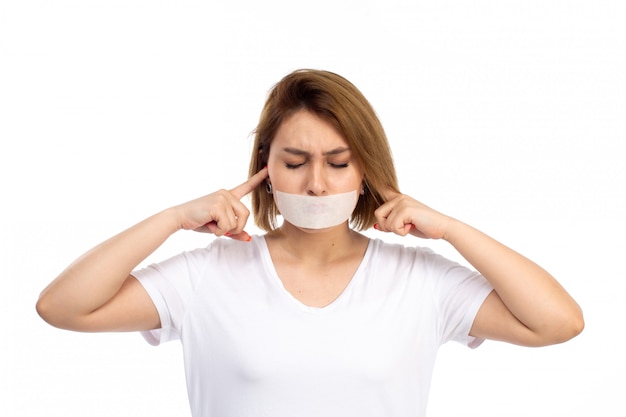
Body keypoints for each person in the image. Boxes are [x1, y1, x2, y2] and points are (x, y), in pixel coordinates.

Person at [36, 69, 584, 417]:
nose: (317, 183)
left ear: (367, 171)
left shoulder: (420, 280)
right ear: (265, 171)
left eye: (339, 163)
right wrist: (175, 217)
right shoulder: (206, 276)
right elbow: (61, 307)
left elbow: (558, 322)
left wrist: (453, 230)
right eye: (295, 163)